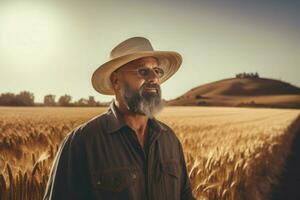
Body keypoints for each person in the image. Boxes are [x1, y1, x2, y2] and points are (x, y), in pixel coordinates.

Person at [43, 36, 196, 200]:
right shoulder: (82, 142)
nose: (153, 78)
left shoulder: (169, 139)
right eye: (143, 71)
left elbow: (185, 195)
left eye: (157, 71)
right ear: (116, 81)